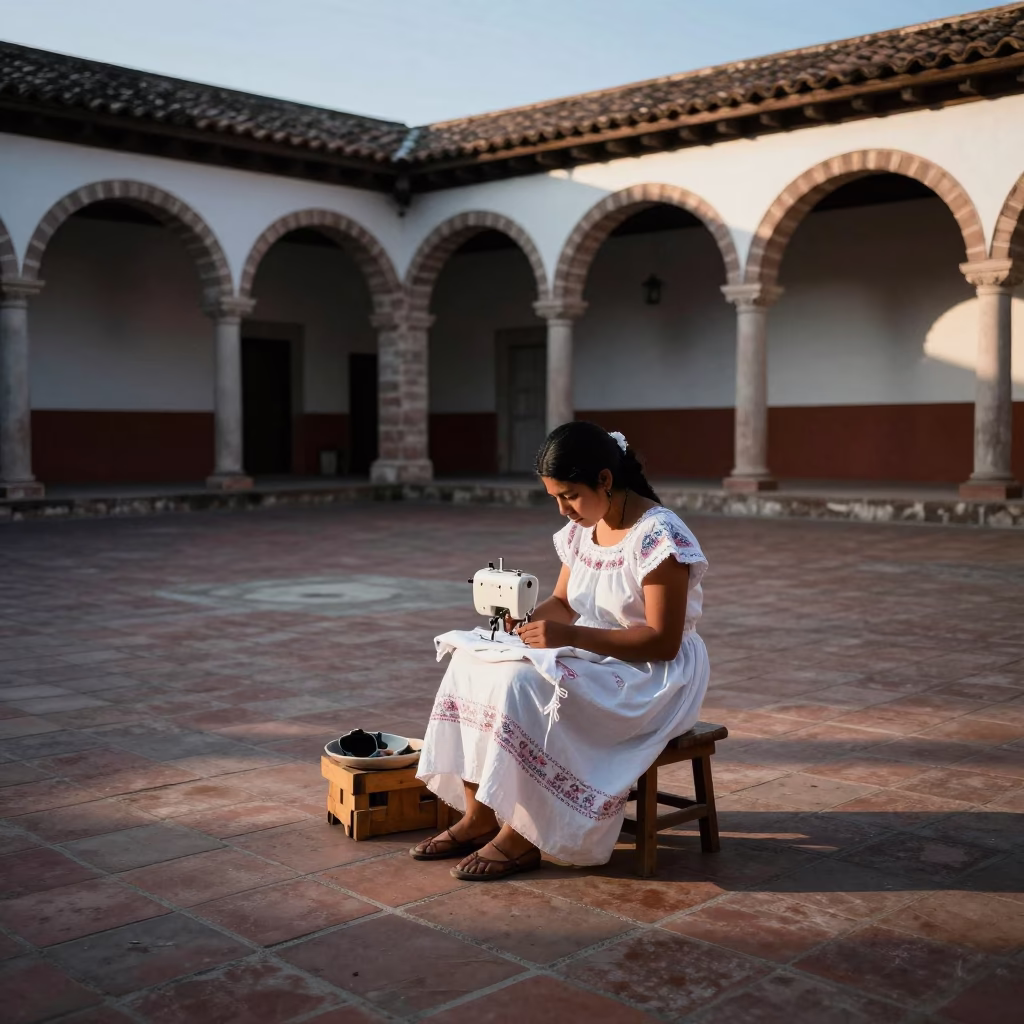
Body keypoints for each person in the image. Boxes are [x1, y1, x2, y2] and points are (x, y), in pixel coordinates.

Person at [411, 421, 710, 880]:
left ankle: (524, 834)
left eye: (569, 495)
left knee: (526, 685)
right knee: (472, 663)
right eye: (555, 497)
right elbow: (565, 603)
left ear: (605, 480)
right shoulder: (583, 530)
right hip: (596, 654)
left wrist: (568, 638)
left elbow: (662, 641)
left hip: (650, 676)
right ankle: (480, 814)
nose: (563, 509)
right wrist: (525, 620)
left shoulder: (659, 537)